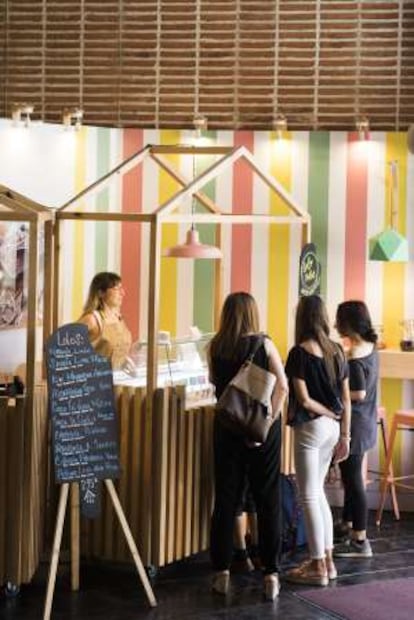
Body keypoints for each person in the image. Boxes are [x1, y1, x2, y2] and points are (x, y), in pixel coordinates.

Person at [208, 291, 288, 600]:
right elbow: (281, 386)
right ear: (253, 313)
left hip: (227, 429)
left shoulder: (215, 346)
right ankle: (271, 575)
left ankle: (221, 573)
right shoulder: (264, 344)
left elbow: (217, 384)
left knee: (226, 499)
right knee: (267, 499)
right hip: (261, 431)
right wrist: (267, 422)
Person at [284, 295, 351, 586]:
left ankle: (316, 566)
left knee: (308, 494)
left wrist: (325, 412)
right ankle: (327, 560)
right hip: (334, 430)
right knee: (318, 493)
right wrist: (345, 433)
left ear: (302, 318)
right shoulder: (337, 350)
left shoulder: (298, 353)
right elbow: (346, 400)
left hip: (312, 429)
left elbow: (304, 400)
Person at [333, 300, 378, 558]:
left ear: (347, 323)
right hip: (367, 423)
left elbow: (357, 393)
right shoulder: (371, 347)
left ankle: (360, 541)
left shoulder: (354, 357)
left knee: (353, 482)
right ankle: (349, 526)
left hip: (356, 425)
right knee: (351, 481)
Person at [78, 271, 132, 370]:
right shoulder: (92, 319)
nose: (122, 293)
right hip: (96, 382)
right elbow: (66, 347)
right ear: (101, 293)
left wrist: (124, 361)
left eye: (122, 289)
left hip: (117, 379)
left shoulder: (118, 318)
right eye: (117, 289)